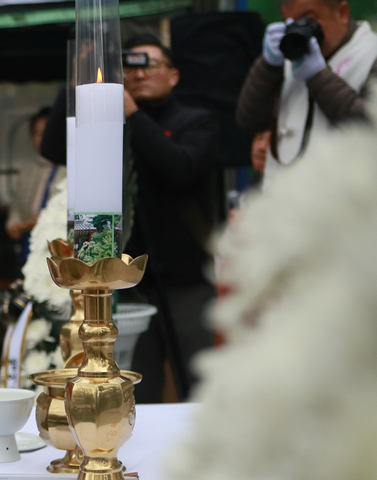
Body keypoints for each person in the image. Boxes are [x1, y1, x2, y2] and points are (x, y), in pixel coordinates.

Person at [121, 34, 222, 402]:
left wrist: (134, 114)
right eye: (130, 67)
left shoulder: (197, 120)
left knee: (200, 387)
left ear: (174, 75)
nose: (140, 73)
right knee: (136, 392)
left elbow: (180, 168)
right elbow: (54, 148)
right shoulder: (111, 125)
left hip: (186, 282)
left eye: (151, 64)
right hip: (131, 283)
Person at [236, 0, 377, 186]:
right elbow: (250, 121)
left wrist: (318, 77)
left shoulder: (370, 53)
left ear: (342, 13)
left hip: (345, 203)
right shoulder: (291, 53)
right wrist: (267, 67)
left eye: (309, 20)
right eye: (290, 23)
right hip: (285, 199)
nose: (301, 31)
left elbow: (369, 128)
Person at [6, 107, 59, 266]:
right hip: (28, 245)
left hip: (58, 250)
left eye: (48, 133)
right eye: (37, 134)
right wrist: (13, 224)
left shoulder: (71, 168)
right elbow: (16, 207)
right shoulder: (27, 170)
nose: (42, 139)